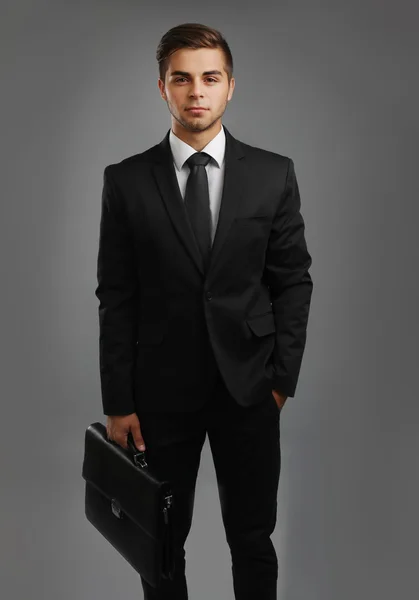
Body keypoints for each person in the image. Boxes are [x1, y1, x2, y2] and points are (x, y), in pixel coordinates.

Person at [95, 21, 313, 600]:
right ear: (162, 88)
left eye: (210, 78)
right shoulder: (126, 181)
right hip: (158, 395)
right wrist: (118, 402)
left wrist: (281, 380)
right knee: (160, 541)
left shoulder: (273, 173)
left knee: (253, 539)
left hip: (250, 388)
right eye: (182, 79)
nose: (197, 91)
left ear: (230, 86)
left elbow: (293, 281)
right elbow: (115, 297)